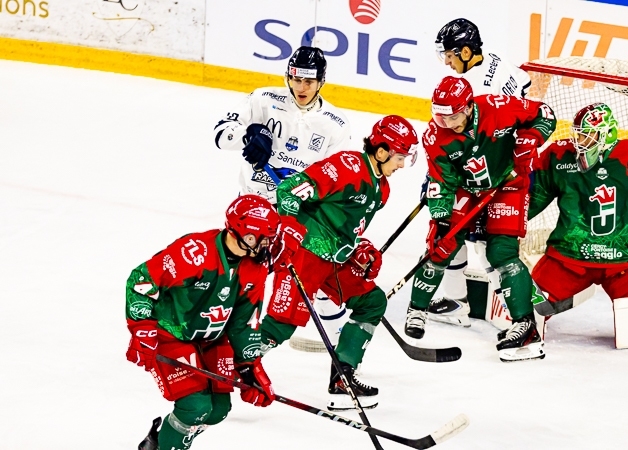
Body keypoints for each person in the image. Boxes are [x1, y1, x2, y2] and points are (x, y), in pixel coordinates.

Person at [260, 115, 419, 410]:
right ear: (381, 152)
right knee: (281, 324)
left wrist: (361, 249)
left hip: (335, 260)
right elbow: (288, 191)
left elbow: (348, 228)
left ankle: (342, 378)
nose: (401, 165)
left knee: (372, 302)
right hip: (306, 252)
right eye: (399, 157)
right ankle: (232, 365)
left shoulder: (381, 188)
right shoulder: (346, 167)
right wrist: (290, 230)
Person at [126, 195, 301, 450]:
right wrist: (142, 330)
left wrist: (249, 367)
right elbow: (142, 282)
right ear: (238, 231)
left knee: (218, 410)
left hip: (212, 339)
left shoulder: (255, 268)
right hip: (171, 334)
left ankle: (161, 441)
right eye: (257, 238)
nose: (264, 247)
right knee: (195, 407)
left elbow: (244, 322)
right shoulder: (194, 253)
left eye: (267, 239)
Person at [405, 75, 556, 363]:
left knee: (501, 252)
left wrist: (532, 137)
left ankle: (525, 326)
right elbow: (442, 180)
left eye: (452, 116)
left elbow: (544, 114)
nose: (446, 123)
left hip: (509, 184)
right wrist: (441, 219)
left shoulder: (498, 107)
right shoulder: (435, 136)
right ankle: (417, 309)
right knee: (441, 245)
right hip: (465, 187)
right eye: (440, 116)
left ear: (468, 107)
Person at [213, 46, 352, 346]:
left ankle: (339, 339)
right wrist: (248, 135)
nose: (301, 87)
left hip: (298, 215)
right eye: (296, 79)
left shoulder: (336, 125)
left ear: (321, 81)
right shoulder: (263, 99)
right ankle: (221, 335)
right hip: (253, 209)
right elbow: (221, 134)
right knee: (239, 276)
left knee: (316, 272)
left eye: (309, 81)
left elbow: (337, 180)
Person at [527, 102, 628, 330]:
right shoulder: (558, 157)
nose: (580, 142)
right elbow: (529, 198)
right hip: (569, 259)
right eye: (578, 134)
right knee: (524, 311)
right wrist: (501, 225)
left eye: (587, 135)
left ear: (606, 134)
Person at [427, 18, 532, 327]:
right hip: (510, 164)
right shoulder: (495, 60)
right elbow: (525, 82)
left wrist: (441, 177)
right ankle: (507, 310)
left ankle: (488, 308)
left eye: (449, 55)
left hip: (490, 172)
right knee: (484, 241)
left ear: (465, 52)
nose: (447, 62)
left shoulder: (473, 88)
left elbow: (465, 137)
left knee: (461, 235)